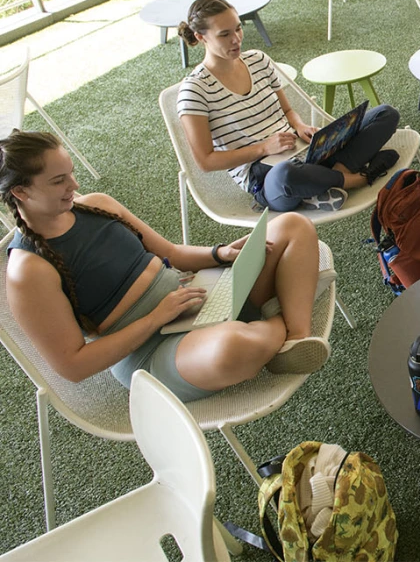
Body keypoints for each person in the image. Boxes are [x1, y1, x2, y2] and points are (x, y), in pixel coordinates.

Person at [2, 130, 333, 403]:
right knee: (232, 349)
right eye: (59, 180)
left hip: (194, 296)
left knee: (292, 226)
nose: (74, 185)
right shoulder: (28, 271)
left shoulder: (96, 206)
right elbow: (73, 365)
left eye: (71, 172)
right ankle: (287, 308)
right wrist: (156, 317)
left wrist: (220, 254)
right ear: (21, 192)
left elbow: (170, 253)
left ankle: (293, 339)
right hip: (154, 351)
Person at [177, 0, 400, 212]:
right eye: (224, 34)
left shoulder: (258, 60)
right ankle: (357, 179)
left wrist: (300, 126)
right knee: (286, 174)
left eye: (238, 28)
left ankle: (327, 181)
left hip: (303, 151)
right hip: (267, 176)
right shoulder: (195, 90)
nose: (236, 39)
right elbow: (206, 161)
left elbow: (287, 110)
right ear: (201, 37)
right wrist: (264, 148)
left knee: (385, 114)